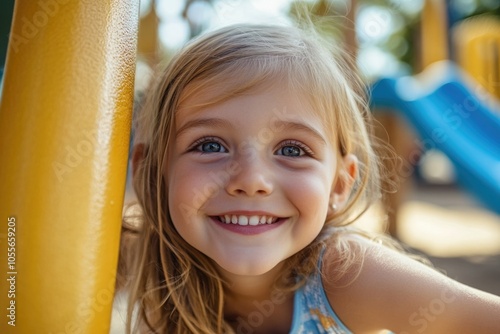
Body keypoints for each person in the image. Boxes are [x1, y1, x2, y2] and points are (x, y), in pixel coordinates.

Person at [120, 23, 500, 333]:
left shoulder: (345, 274)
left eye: (291, 150)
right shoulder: (143, 264)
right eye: (209, 145)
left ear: (339, 184)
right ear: (150, 172)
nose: (252, 180)